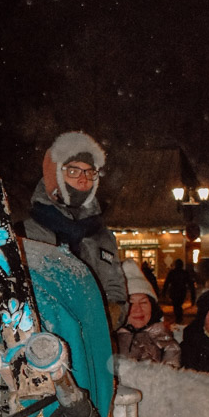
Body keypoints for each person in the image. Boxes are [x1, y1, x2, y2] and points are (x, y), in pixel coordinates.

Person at [24, 130, 127, 326]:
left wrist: (111, 315)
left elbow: (115, 287)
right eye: (73, 171)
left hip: (94, 338)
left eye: (89, 171)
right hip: (44, 341)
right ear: (54, 175)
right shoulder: (26, 232)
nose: (83, 179)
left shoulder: (102, 236)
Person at [117, 260, 180, 367]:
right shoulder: (109, 339)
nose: (138, 309)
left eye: (143, 302)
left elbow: (170, 376)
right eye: (131, 303)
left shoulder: (166, 342)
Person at [162, 257, 190, 323]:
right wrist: (193, 296)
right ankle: (179, 317)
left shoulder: (172, 273)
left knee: (176, 305)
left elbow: (167, 283)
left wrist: (164, 292)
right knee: (179, 305)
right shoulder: (184, 273)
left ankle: (178, 317)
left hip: (174, 291)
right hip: (181, 292)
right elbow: (190, 283)